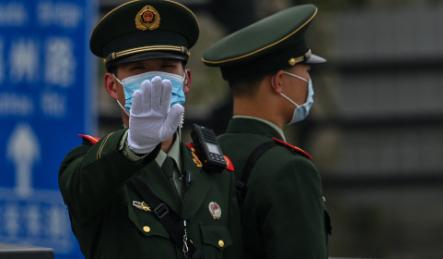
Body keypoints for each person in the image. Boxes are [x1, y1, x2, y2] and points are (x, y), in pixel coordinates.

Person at [59, 1, 241, 258]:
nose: (156, 82)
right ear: (112, 86)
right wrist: (134, 147)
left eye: (167, 67)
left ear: (186, 80)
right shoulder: (96, 165)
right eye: (139, 69)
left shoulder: (216, 173)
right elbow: (81, 188)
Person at [202, 4, 331, 259]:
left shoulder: (203, 155)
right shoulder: (290, 169)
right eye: (305, 73)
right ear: (279, 82)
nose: (308, 83)